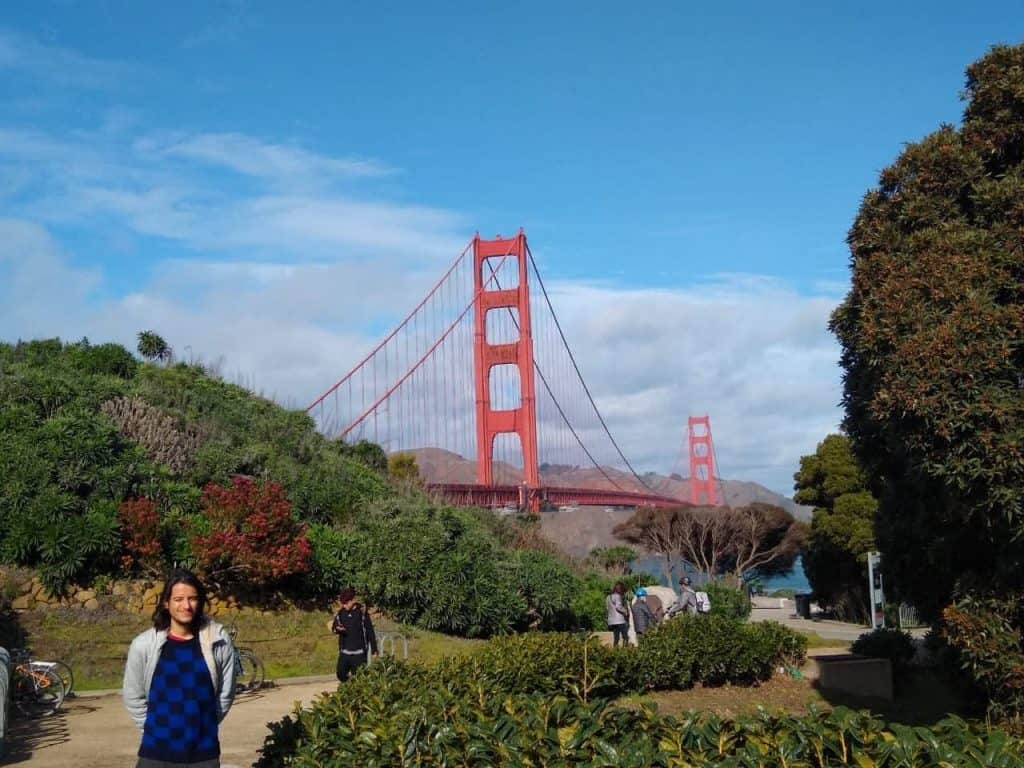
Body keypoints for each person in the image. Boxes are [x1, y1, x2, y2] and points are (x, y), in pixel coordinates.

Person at [123, 569, 237, 768]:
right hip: (155, 754)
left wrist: (204, 724)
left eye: (192, 599)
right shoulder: (143, 645)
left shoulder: (218, 642)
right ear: (166, 603)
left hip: (203, 754)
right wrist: (154, 730)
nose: (186, 606)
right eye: (178, 599)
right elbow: (133, 696)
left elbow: (225, 695)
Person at [327, 587, 378, 682]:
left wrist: (374, 649)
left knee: (359, 680)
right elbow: (334, 627)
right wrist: (337, 629)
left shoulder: (362, 612)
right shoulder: (341, 613)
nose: (344, 606)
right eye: (343, 603)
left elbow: (370, 631)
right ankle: (349, 685)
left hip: (359, 653)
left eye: (346, 603)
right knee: (340, 674)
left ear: (353, 600)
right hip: (345, 652)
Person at [605, 581, 630, 647]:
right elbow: (618, 607)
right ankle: (625, 651)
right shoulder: (617, 596)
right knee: (625, 637)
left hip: (611, 621)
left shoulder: (608, 597)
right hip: (619, 620)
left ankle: (615, 651)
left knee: (616, 638)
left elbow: (607, 608)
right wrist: (626, 612)